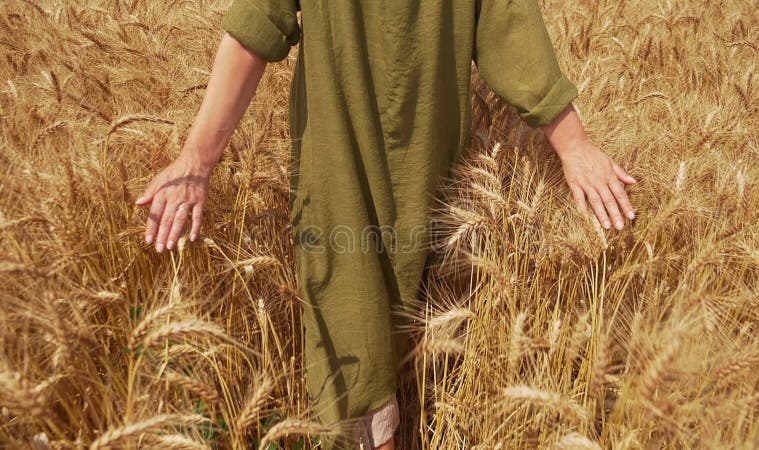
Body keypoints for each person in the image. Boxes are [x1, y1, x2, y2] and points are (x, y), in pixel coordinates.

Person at [134, 0, 637, 448]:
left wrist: (575, 145)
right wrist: (196, 162)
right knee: (356, 360)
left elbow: (509, 28)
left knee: (431, 369)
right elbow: (258, 25)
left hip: (440, 183)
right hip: (339, 177)